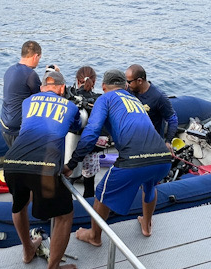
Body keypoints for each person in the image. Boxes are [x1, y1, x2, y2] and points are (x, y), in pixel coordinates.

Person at [64, 69, 172, 245]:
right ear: (124, 86)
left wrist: (72, 163)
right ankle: (146, 225)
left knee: (102, 192)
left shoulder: (104, 99)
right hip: (163, 158)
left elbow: (91, 133)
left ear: (103, 86)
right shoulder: (135, 100)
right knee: (150, 185)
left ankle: (94, 236)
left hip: (134, 160)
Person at [3, 70, 82, 269]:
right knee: (64, 215)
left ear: (41, 89)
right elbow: (76, 127)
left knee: (18, 205)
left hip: (12, 162)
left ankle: (28, 251)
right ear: (62, 89)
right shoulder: (71, 106)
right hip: (45, 167)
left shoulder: (28, 102)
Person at [65, 65, 102, 198]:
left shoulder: (69, 97)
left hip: (70, 146)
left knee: (68, 181)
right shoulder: (99, 100)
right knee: (89, 184)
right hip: (89, 151)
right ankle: (87, 210)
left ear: (77, 80)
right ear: (95, 81)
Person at [0, 41, 42, 148]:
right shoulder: (30, 75)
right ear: (35, 56)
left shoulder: (10, 70)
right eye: (39, 58)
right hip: (17, 128)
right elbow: (42, 98)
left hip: (4, 124)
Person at [125, 64, 179, 149]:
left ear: (139, 81)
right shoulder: (129, 90)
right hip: (133, 138)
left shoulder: (159, 97)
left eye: (129, 82)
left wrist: (168, 142)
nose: (127, 84)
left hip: (152, 142)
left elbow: (173, 120)